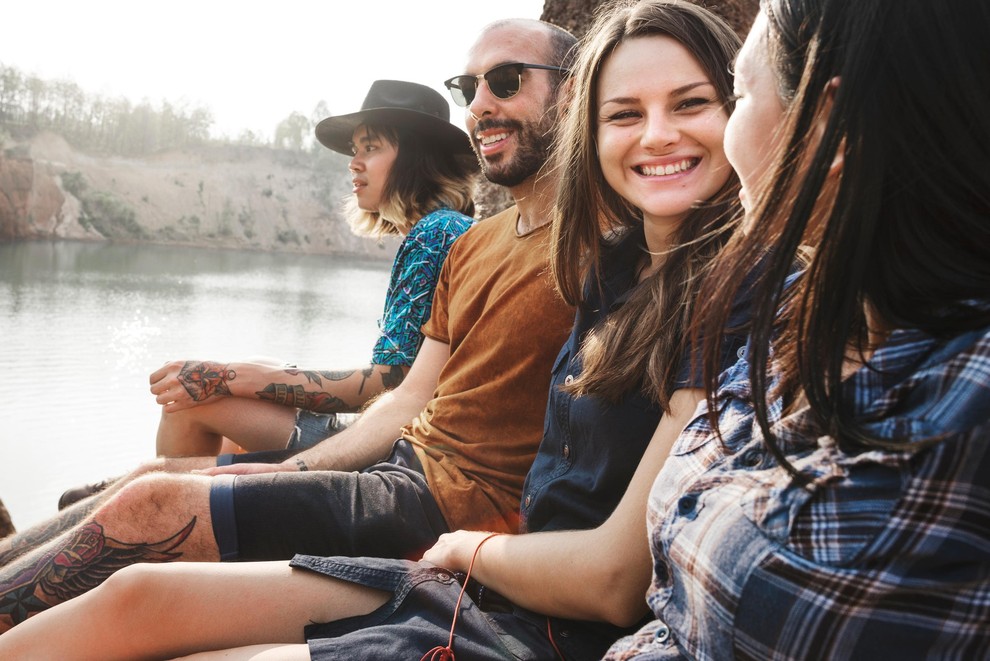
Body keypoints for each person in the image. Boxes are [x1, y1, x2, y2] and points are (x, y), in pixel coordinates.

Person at [0, 2, 750, 657]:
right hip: (412, 473)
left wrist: (251, 380)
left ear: (572, 100)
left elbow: (390, 388)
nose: (481, 100)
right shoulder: (493, 247)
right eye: (469, 87)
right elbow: (407, 397)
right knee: (149, 501)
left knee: (151, 504)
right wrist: (294, 468)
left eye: (507, 79)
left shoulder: (609, 248)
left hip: (460, 516)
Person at [602, 0, 990, 657]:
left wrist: (470, 549)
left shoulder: (966, 403)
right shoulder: (800, 302)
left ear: (830, 129)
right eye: (624, 112)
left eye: (737, 93)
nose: (663, 136)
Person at [55, 80, 479, 509]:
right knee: (260, 369)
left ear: (416, 159)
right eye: (354, 149)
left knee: (193, 399)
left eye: (370, 148)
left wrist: (227, 375)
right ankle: (152, 488)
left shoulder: (434, 233)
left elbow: (392, 382)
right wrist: (247, 374)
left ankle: (162, 507)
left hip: (400, 449)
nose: (353, 164)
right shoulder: (447, 227)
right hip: (410, 432)